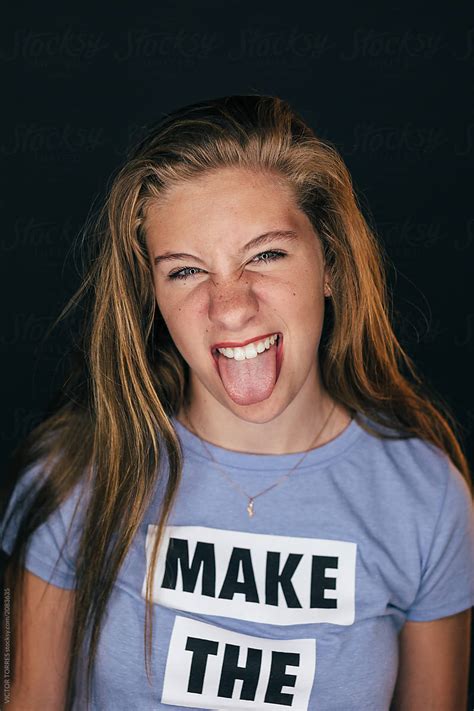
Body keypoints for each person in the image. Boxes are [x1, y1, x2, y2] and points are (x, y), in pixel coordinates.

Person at [1, 94, 473, 711]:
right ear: (152, 297)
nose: (230, 307)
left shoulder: (427, 499)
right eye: (185, 271)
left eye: (266, 255)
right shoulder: (76, 473)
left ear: (330, 264)